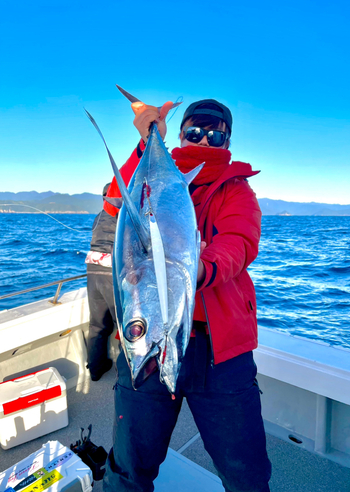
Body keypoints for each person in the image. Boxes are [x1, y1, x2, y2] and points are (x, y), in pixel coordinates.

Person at [103, 98, 272, 491]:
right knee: (129, 467)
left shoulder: (236, 190)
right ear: (180, 134)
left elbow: (239, 242)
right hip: (147, 343)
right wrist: (149, 142)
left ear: (227, 140)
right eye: (195, 131)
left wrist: (197, 269)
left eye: (216, 134)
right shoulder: (156, 169)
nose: (205, 140)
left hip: (220, 350)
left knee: (245, 472)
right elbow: (118, 206)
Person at [85, 183, 117, 381]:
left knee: (97, 325)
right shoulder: (124, 212)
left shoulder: (98, 216)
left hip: (92, 270)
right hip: (112, 271)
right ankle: (128, 374)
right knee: (124, 326)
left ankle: (95, 370)